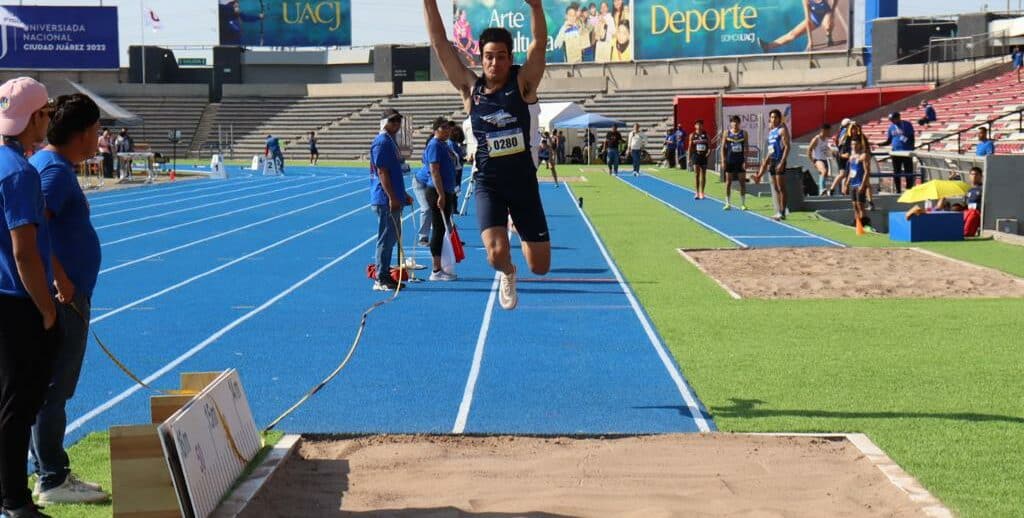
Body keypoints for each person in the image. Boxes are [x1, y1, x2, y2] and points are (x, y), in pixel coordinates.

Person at [425, 0, 551, 310]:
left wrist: (535, 8)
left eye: (501, 57)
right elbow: (440, 43)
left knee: (540, 266)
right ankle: (508, 271)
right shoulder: (471, 89)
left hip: (523, 184)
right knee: (495, 254)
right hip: (489, 184)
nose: (494, 63)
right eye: (488, 57)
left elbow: (539, 43)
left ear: (510, 59)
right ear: (481, 59)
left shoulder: (523, 85)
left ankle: (522, 243)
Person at [27, 94, 107, 505]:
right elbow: (34, 227)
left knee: (51, 388)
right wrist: (60, 278)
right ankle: (52, 478)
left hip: (68, 294)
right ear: (82, 133)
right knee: (53, 389)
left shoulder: (54, 166)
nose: (99, 137)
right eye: (96, 129)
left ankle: (49, 468)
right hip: (64, 298)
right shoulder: (53, 172)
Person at [0, 77, 61, 518]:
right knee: (19, 407)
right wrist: (45, 309)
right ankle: (16, 500)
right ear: (34, 117)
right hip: (18, 304)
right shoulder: (20, 173)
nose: (49, 121)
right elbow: (24, 251)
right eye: (46, 114)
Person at [370, 109, 412, 292]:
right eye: (393, 120)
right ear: (384, 122)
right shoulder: (382, 142)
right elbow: (382, 172)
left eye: (399, 121)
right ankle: (381, 278)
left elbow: (394, 172)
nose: (397, 124)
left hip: (393, 197)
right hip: (385, 198)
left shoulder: (390, 141)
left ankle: (385, 274)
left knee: (391, 237)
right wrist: (393, 197)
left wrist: (403, 195)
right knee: (386, 239)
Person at [417, 118, 459, 281]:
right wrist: (441, 194)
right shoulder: (434, 145)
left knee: (442, 229)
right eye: (444, 128)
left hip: (445, 190)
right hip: (436, 191)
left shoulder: (443, 144)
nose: (448, 130)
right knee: (439, 229)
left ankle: (441, 266)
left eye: (449, 128)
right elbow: (434, 171)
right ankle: (436, 270)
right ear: (436, 129)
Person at [754, 109, 790, 220]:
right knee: (775, 187)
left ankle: (782, 212)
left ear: (779, 118)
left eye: (775, 117)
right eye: (772, 117)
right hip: (773, 160)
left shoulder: (782, 130)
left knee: (781, 187)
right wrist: (765, 163)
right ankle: (779, 211)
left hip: (780, 160)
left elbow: (787, 147)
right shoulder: (771, 132)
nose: (773, 119)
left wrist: (782, 162)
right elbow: (771, 150)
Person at [758, 0, 835, 52]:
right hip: (814, 19)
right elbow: (808, 20)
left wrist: (832, 11)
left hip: (826, 14)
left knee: (827, 24)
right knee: (792, 35)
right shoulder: (805, 0)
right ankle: (768, 46)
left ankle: (829, 35)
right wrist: (810, 41)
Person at [877, 112, 915, 193]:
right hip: (895, 153)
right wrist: (879, 144)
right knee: (896, 172)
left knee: (908, 171)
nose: (892, 121)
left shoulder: (907, 124)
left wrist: (911, 148)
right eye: (891, 120)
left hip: (906, 152)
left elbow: (912, 137)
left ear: (898, 117)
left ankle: (909, 190)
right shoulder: (891, 127)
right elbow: (889, 141)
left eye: (893, 119)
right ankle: (898, 190)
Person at [720, 116, 748, 210]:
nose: (735, 124)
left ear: (739, 123)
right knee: (728, 183)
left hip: (740, 161)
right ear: (730, 123)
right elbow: (723, 148)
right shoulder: (726, 133)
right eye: (733, 122)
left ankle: (743, 204)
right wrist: (723, 160)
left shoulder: (744, 133)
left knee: (742, 183)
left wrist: (745, 160)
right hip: (729, 161)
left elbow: (746, 148)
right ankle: (727, 203)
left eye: (736, 122)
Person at [845, 137, 872, 232]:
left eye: (856, 144)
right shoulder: (851, 157)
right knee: (854, 205)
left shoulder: (863, 156)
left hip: (860, 182)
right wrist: (846, 183)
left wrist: (863, 184)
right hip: (853, 183)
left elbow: (867, 171)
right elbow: (850, 171)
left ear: (860, 145)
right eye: (852, 144)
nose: (854, 146)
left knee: (860, 205)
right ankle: (857, 223)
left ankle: (865, 223)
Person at [828, 118, 852, 197]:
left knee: (844, 174)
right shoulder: (846, 131)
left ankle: (841, 191)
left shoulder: (841, 131)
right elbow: (843, 142)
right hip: (843, 153)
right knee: (843, 174)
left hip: (841, 153)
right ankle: (832, 189)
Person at [807, 123, 832, 196]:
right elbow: (809, 150)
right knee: (824, 171)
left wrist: (830, 151)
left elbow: (825, 148)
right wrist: (813, 161)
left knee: (824, 175)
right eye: (828, 131)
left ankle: (822, 192)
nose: (829, 133)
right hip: (818, 159)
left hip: (824, 159)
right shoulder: (816, 139)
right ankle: (822, 189)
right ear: (823, 130)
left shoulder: (826, 139)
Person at [688, 120, 710, 199]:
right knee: (696, 174)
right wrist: (689, 159)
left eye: (700, 125)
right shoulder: (692, 135)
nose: (699, 126)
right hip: (695, 156)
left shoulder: (706, 135)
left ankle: (702, 192)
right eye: (697, 125)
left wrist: (708, 153)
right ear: (695, 126)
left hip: (703, 156)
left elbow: (709, 147)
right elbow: (690, 147)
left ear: (702, 126)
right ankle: (696, 192)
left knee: (703, 175)